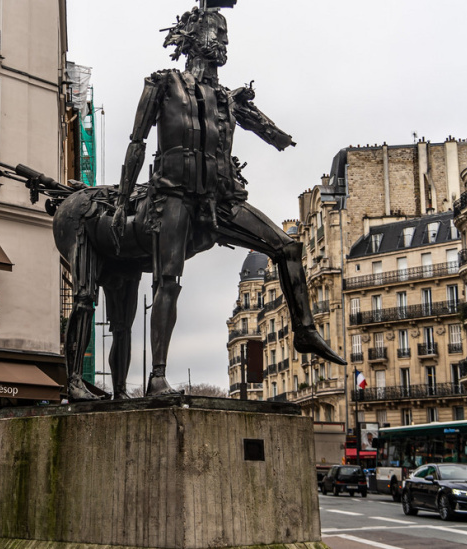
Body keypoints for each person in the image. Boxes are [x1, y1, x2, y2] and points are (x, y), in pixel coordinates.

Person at [111, 4, 344, 395]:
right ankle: (158, 377)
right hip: (174, 194)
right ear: (190, 38)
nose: (222, 41)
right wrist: (121, 200)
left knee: (286, 247)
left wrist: (278, 136)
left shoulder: (227, 98)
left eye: (225, 35)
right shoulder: (163, 84)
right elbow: (136, 144)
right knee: (168, 279)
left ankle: (304, 332)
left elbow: (258, 121)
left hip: (219, 197)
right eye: (215, 32)